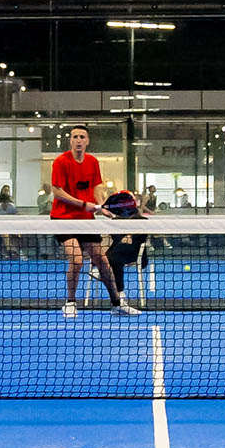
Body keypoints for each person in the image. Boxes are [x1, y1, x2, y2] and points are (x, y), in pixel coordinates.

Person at [49, 125, 139, 317]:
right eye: (75, 137)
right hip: (63, 219)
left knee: (103, 262)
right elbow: (57, 191)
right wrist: (83, 204)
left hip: (86, 220)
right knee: (76, 260)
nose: (78, 140)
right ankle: (70, 303)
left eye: (82, 137)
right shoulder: (61, 162)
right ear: (70, 141)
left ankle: (116, 304)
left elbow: (97, 187)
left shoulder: (92, 162)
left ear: (87, 141)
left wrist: (102, 205)